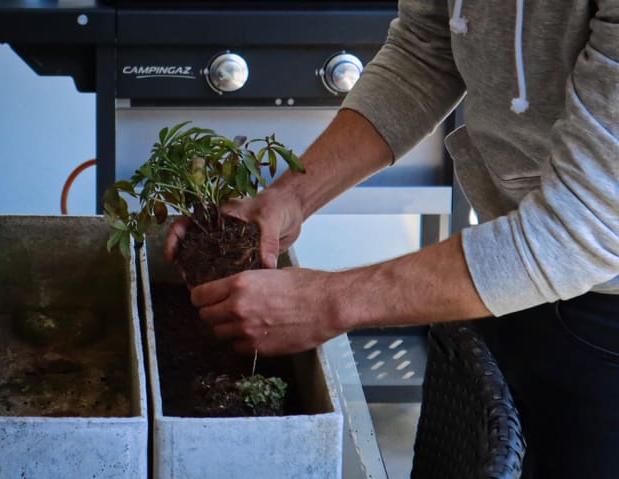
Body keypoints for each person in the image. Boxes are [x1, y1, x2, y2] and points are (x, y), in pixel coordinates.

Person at [166, 1, 619, 477]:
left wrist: (328, 301)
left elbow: (581, 228)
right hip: (505, 268)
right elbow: (426, 50)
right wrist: (292, 196)